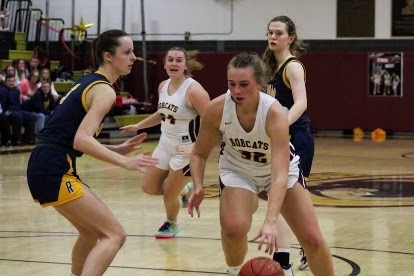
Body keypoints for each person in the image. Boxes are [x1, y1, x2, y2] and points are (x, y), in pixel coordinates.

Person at [26, 29, 159, 276]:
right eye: (127, 52)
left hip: (46, 161)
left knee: (89, 233)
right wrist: (124, 162)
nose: (133, 58)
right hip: (53, 166)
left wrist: (115, 148)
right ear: (108, 56)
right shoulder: (105, 90)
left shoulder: (87, 81)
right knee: (115, 235)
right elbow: (81, 140)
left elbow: (72, 137)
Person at [188, 52, 334, 276]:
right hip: (238, 169)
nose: (237, 91)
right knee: (233, 228)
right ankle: (235, 271)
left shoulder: (274, 113)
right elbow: (198, 153)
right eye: (232, 84)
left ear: (259, 83)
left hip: (277, 171)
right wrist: (198, 185)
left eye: (244, 84)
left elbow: (279, 175)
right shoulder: (217, 109)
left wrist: (270, 222)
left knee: (312, 239)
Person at [120, 47, 210, 238]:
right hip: (165, 143)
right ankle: (185, 189)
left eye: (178, 60)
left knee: (169, 191)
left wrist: (196, 147)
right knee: (149, 187)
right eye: (170, 60)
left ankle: (171, 222)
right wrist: (139, 125)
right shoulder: (163, 85)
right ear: (164, 63)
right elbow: (162, 113)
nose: (174, 64)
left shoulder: (194, 90)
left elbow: (212, 123)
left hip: (185, 150)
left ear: (185, 65)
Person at [262, 15, 315, 271]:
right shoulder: (269, 67)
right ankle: (294, 250)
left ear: (290, 38)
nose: (273, 37)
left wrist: (281, 127)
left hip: (297, 138)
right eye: (270, 32)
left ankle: (284, 260)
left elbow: (301, 103)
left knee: (286, 198)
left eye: (278, 33)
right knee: (279, 197)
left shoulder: (293, 67)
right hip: (280, 140)